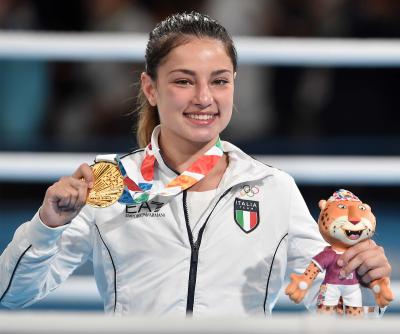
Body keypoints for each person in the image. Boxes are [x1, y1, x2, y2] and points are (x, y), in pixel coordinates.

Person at [0, 12, 391, 317]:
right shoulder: (111, 182)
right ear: (150, 88)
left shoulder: (273, 188)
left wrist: (362, 281)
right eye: (184, 81)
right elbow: (11, 295)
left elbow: (338, 315)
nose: (204, 97)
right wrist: (46, 225)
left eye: (219, 81)